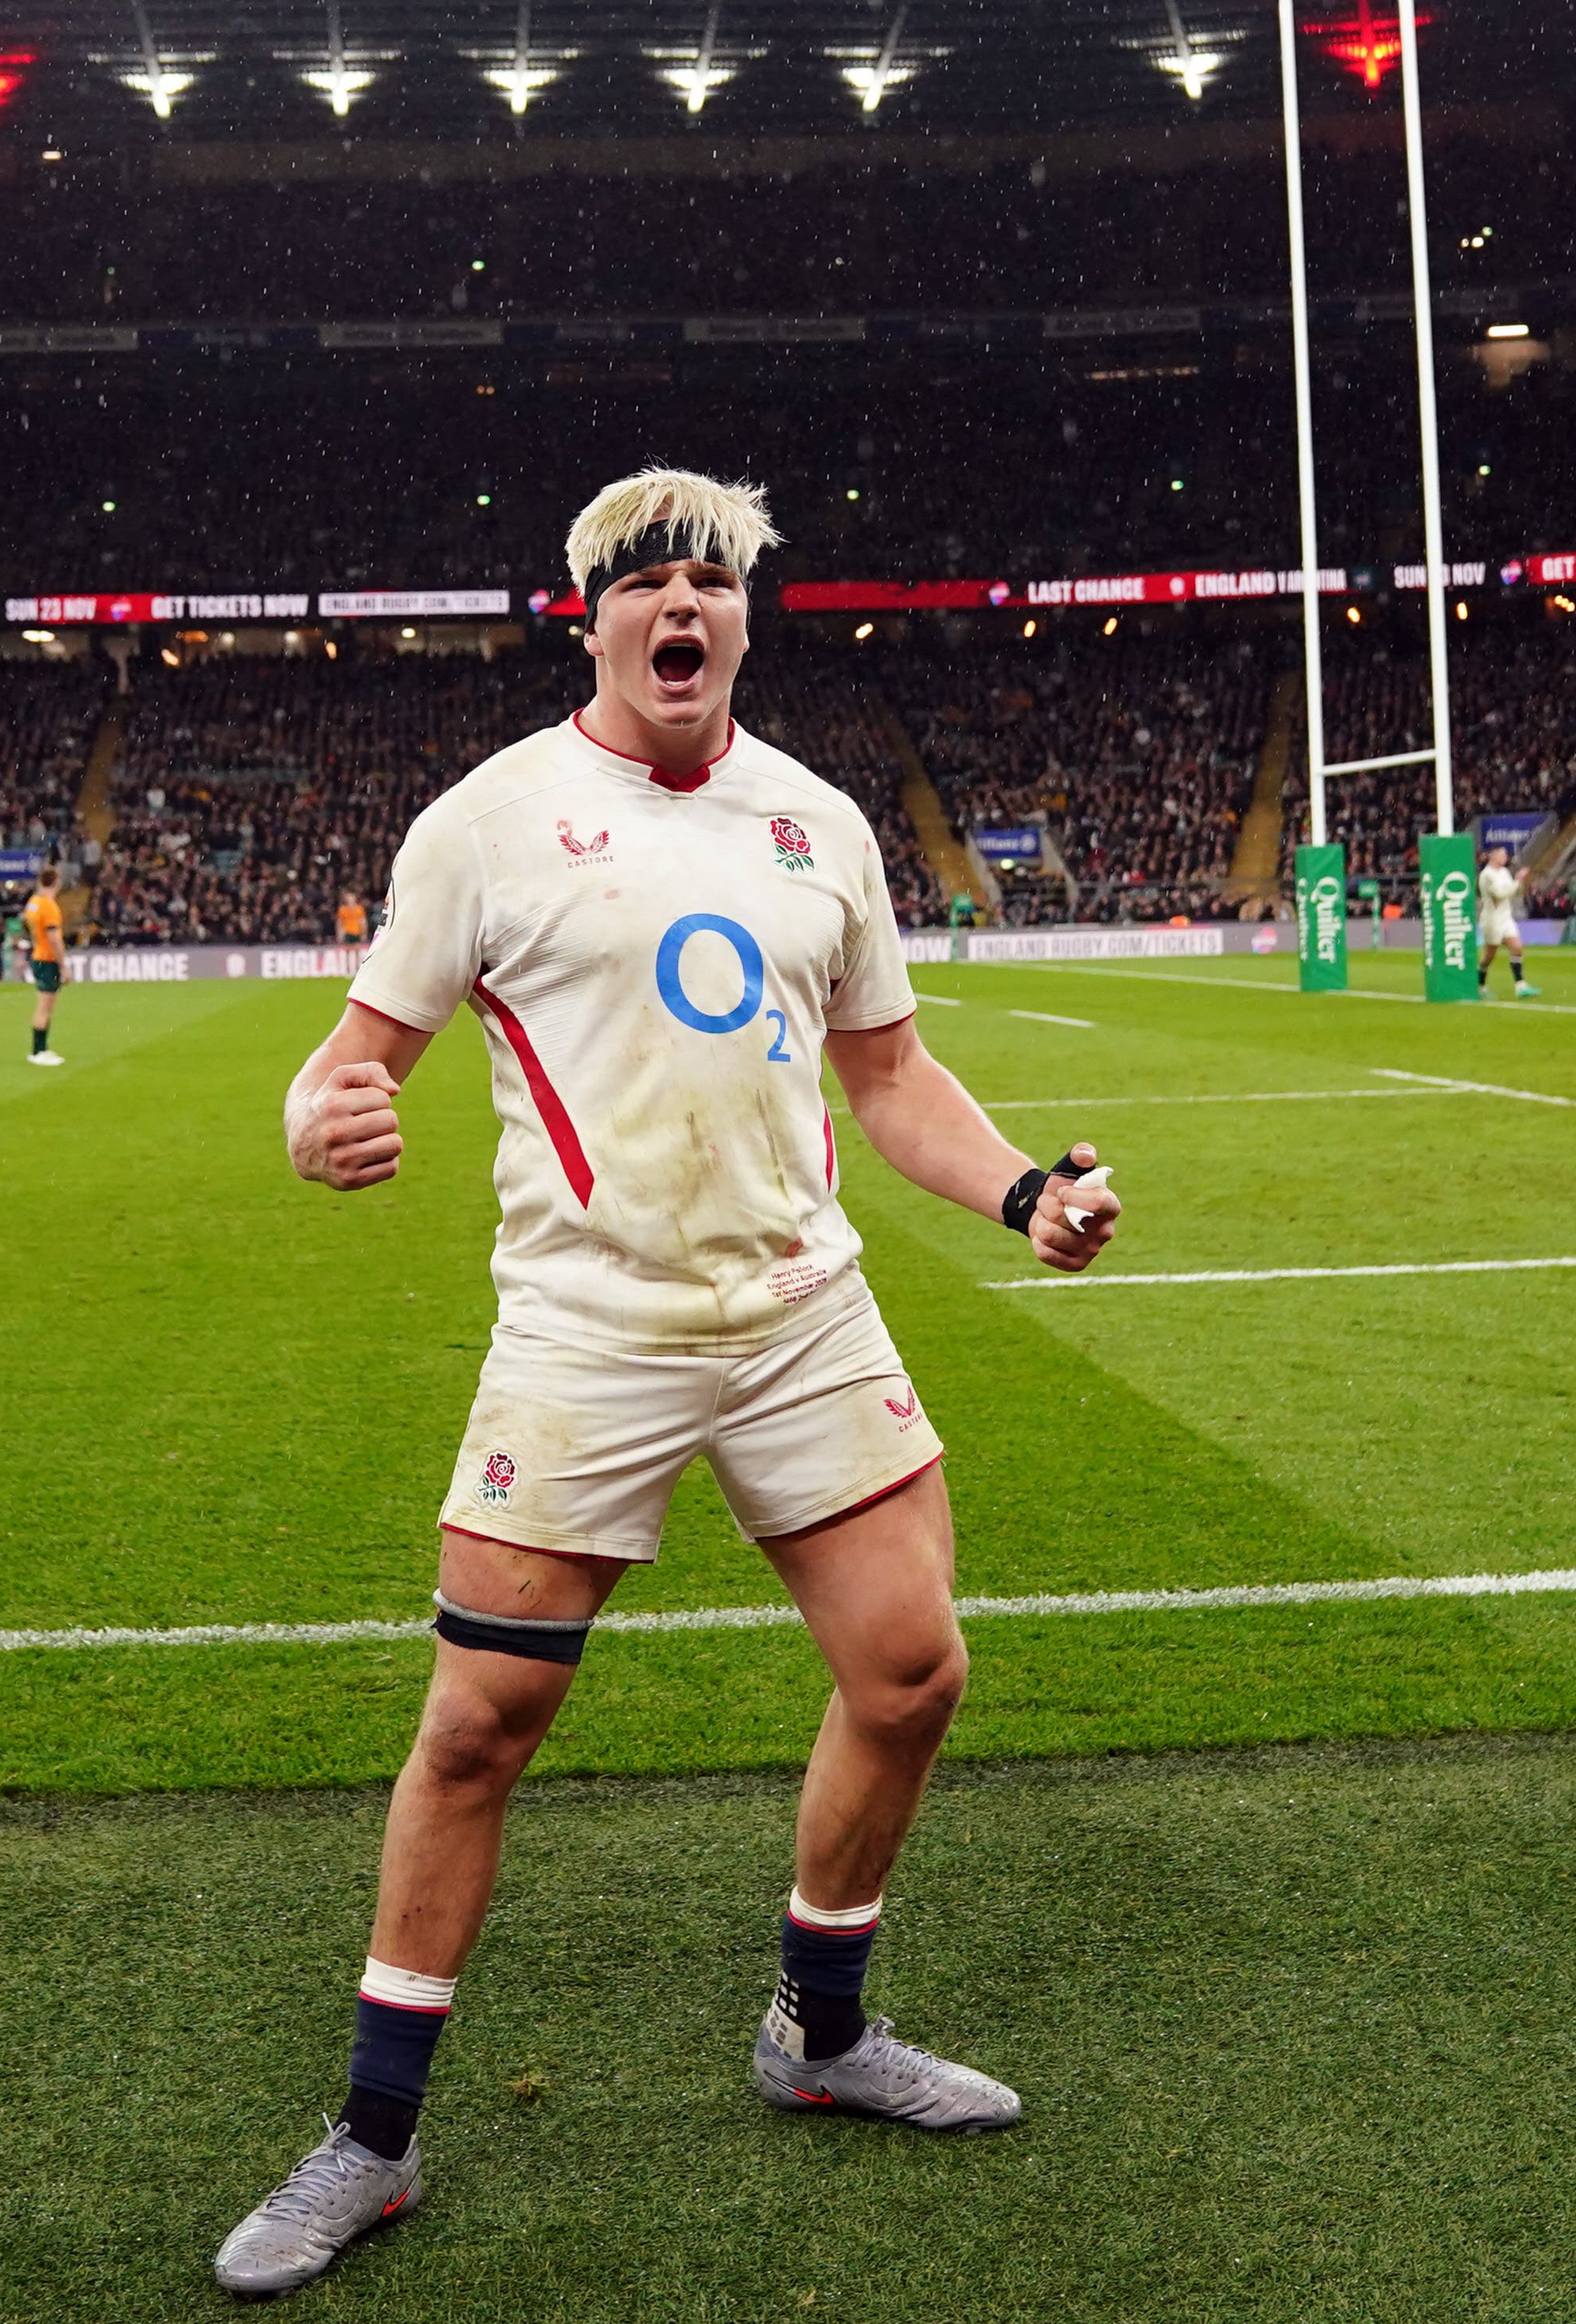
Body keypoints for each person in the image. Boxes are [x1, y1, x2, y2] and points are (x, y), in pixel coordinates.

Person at [217, 468, 1126, 2299]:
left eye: (711, 579)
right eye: (647, 585)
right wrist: (320, 1125)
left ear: (740, 617)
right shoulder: (489, 822)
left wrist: (1024, 1189)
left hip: (801, 1316)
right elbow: (348, 1063)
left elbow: (886, 1083)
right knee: (478, 1728)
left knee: (911, 1668)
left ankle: (819, 2029)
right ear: (596, 619)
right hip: (589, 1333)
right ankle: (373, 2143)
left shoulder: (817, 826)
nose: (681, 607)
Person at [17, 873, 70, 1064]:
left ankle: (42, 1049)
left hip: (38, 955)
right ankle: (38, 1051)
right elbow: (54, 939)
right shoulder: (49, 906)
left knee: (44, 1006)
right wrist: (64, 966)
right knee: (45, 1007)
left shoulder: (33, 902)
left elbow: (28, 926)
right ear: (56, 883)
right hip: (48, 959)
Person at [1473, 839, 1535, 996]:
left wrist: (1519, 883)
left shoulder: (1504, 872)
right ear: (1492, 856)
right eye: (1502, 854)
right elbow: (1500, 894)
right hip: (1492, 920)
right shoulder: (1486, 875)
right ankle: (1480, 985)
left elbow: (1512, 891)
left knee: (1517, 947)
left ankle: (1520, 986)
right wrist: (1518, 881)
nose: (1505, 857)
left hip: (1505, 917)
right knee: (1489, 955)